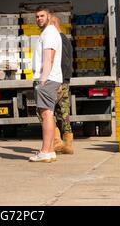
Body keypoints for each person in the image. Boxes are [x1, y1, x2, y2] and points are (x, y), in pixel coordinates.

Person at [29, 7, 63, 163]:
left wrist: (43, 79)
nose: (39, 19)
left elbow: (49, 57)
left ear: (49, 16)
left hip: (47, 79)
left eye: (42, 16)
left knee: (46, 115)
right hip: (51, 78)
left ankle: (45, 151)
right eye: (37, 16)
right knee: (49, 114)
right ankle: (49, 151)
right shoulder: (51, 32)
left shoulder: (49, 33)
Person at [49, 16, 74, 155]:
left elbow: (61, 61)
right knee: (63, 112)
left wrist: (56, 80)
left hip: (58, 80)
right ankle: (68, 143)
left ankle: (57, 142)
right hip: (65, 79)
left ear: (53, 24)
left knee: (47, 111)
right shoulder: (66, 39)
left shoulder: (57, 40)